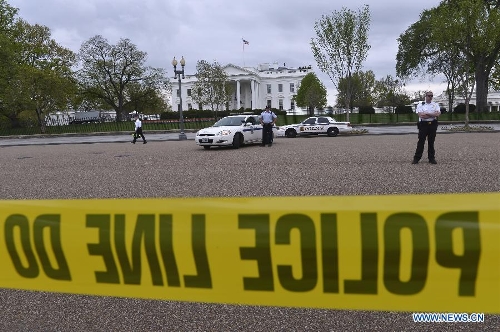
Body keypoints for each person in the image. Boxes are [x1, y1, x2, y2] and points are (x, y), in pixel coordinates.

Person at [412, 91, 440, 164]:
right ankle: (416, 158)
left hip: (432, 124)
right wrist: (432, 114)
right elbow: (421, 115)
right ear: (426, 96)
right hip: (423, 124)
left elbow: (438, 114)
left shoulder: (435, 104)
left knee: (431, 142)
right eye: (429, 96)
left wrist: (427, 113)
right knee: (421, 141)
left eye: (431, 96)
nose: (430, 97)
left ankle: (431, 158)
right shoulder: (420, 104)